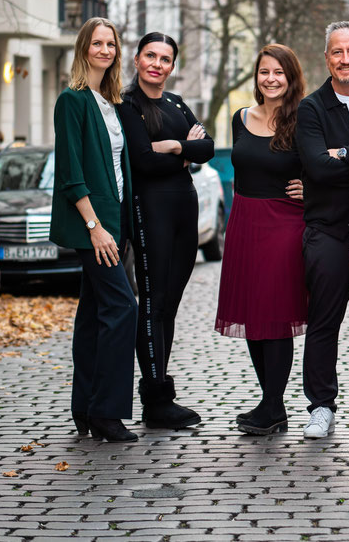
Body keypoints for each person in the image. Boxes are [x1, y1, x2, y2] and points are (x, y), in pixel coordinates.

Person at [118, 32, 214, 430]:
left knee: (170, 303)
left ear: (173, 66)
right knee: (154, 302)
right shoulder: (128, 106)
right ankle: (156, 398)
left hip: (183, 209)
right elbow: (142, 161)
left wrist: (173, 147)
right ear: (137, 59)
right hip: (151, 209)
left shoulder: (175, 104)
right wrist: (183, 149)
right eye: (150, 56)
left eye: (165, 59)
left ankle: (159, 391)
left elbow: (206, 148)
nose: (157, 64)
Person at [50, 17, 137, 442]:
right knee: (123, 309)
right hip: (93, 227)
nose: (105, 50)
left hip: (113, 223)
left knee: (92, 315)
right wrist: (95, 227)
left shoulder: (110, 102)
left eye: (111, 44)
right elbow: (71, 173)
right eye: (97, 43)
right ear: (83, 47)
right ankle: (106, 412)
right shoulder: (73, 101)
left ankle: (84, 408)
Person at [214, 43, 308, 435]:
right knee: (252, 314)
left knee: (275, 314)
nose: (270, 79)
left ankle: (271, 406)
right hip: (244, 222)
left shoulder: (304, 119)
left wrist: (313, 188)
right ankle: (271, 404)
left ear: (290, 79)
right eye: (264, 72)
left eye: (278, 73)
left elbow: (329, 164)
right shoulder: (240, 118)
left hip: (283, 224)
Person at [296, 22, 349, 439]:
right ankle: (321, 405)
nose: (345, 59)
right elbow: (316, 168)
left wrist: (342, 151)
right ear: (327, 58)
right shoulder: (311, 108)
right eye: (337, 52)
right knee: (323, 323)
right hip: (326, 232)